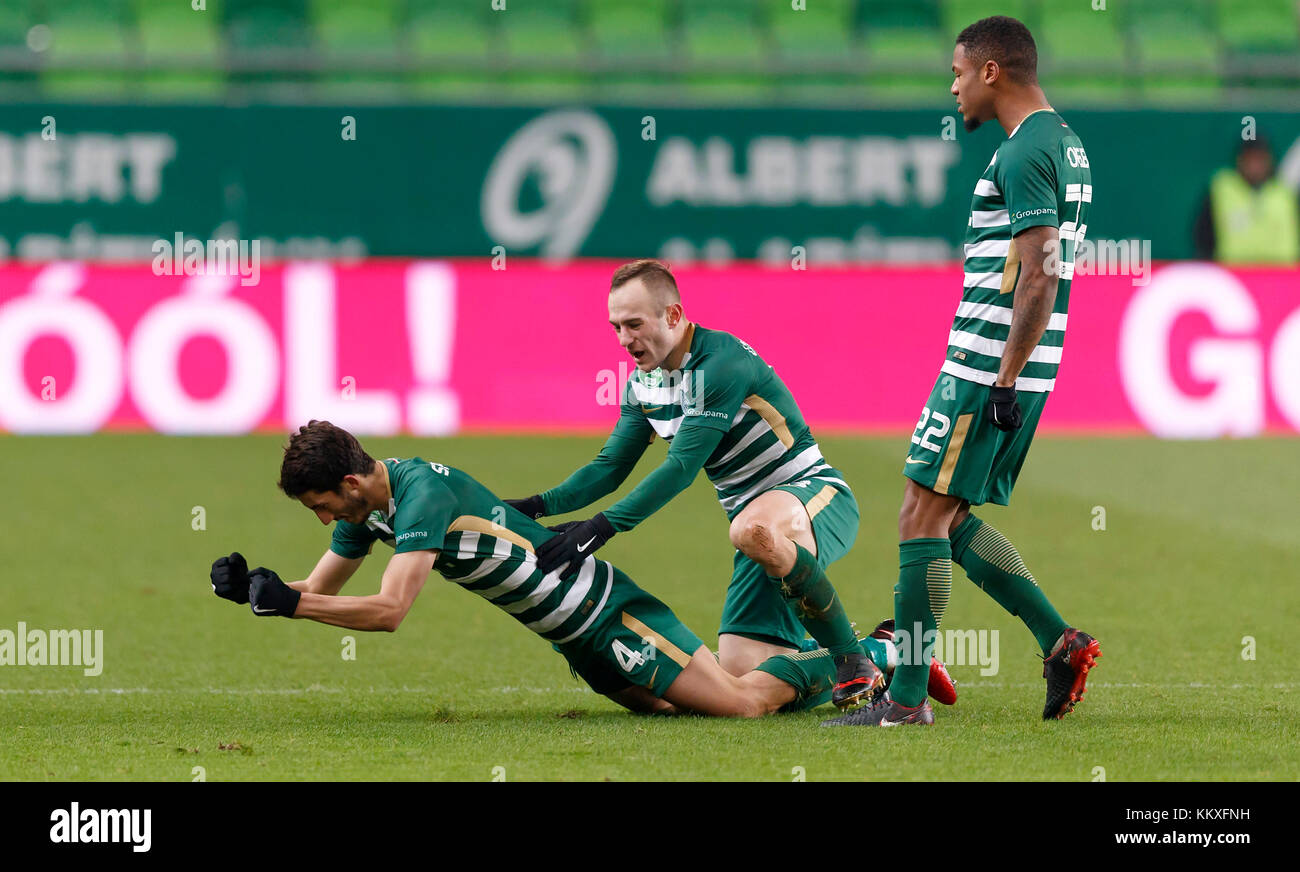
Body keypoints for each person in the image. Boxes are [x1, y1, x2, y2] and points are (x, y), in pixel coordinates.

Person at [208, 419, 871, 718]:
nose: (327, 522)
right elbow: (317, 591)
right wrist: (256, 590)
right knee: (676, 711)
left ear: (351, 482)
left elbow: (388, 612)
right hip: (573, 638)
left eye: (324, 507)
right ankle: (821, 669)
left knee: (739, 706)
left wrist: (290, 605)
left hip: (608, 613)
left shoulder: (423, 496)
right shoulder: (366, 511)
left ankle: (872, 654)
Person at [825, 16, 1100, 728]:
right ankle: (1058, 642)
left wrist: (1004, 377)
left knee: (920, 512)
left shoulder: (1023, 153)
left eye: (956, 72)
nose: (951, 87)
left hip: (986, 367)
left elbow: (1039, 275)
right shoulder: (1064, 143)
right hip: (1008, 364)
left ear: (990, 71)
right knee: (946, 518)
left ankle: (906, 699)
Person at [506, 259, 894, 709]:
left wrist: (600, 528)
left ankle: (852, 659)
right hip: (758, 531)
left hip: (815, 498)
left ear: (673, 316)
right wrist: (535, 505)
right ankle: (886, 651)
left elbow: (680, 467)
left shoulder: (720, 364)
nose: (624, 339)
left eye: (634, 324)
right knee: (738, 680)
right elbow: (610, 466)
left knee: (749, 530)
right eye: (615, 327)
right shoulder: (642, 385)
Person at [1193, 137, 1299, 265]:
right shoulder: (1222, 188)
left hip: (1281, 276)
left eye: (1260, 159)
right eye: (1250, 159)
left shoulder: (1284, 193)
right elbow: (1203, 236)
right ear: (1240, 160)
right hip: (1234, 276)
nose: (1255, 165)